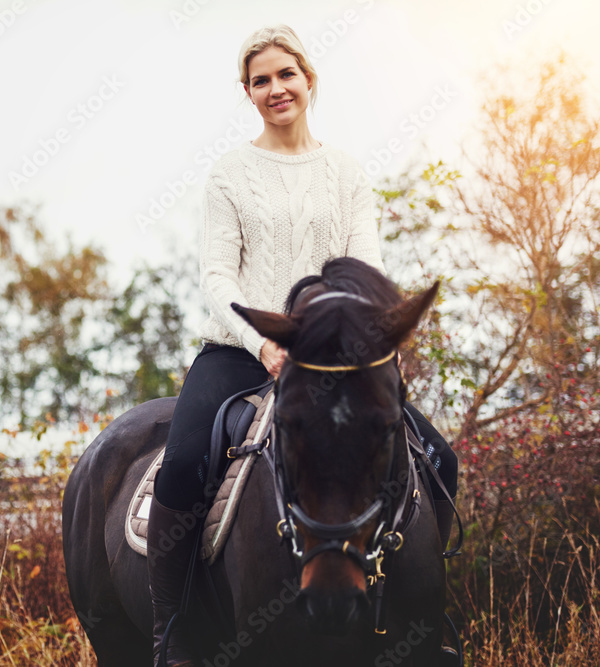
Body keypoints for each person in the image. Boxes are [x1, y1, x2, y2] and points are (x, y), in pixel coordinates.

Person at [146, 25, 459, 666]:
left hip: (333, 357)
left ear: (309, 79)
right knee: (180, 468)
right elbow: (216, 276)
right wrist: (259, 342)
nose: (275, 89)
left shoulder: (346, 173)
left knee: (441, 457)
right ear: (248, 92)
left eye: (285, 74)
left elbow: (364, 265)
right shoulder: (229, 175)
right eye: (260, 80)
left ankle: (422, 615)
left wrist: (372, 334)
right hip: (241, 350)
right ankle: (171, 631)